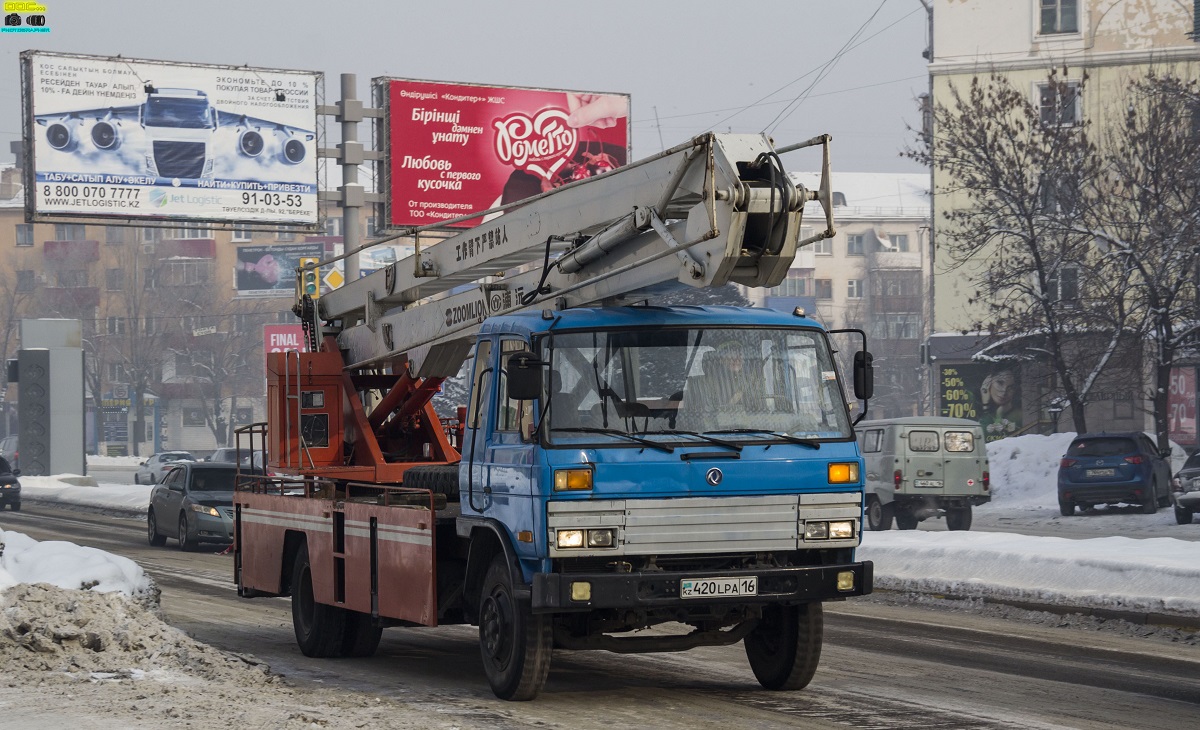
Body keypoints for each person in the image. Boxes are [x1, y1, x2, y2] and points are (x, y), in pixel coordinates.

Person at [978, 368, 1022, 441]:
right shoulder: (977, 409)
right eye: (1000, 383)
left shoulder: (1019, 416)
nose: (1004, 391)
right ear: (988, 383)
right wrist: (985, 404)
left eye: (1010, 387)